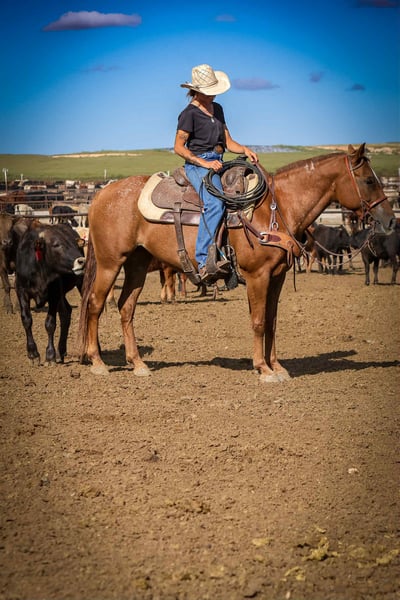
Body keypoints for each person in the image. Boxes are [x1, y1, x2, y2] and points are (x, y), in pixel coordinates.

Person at [174, 64, 259, 283]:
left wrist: (245, 150)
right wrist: (204, 162)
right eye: (209, 91)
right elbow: (179, 147)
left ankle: (232, 256)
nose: (213, 94)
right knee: (214, 203)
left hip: (219, 161)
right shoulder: (188, 114)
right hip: (197, 165)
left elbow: (228, 142)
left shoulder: (217, 109)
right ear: (197, 91)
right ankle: (203, 261)